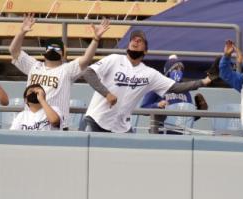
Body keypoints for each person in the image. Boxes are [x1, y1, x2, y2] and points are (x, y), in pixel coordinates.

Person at [81, 30, 212, 133]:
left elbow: (175, 87)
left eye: (140, 40)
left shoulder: (149, 73)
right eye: (133, 39)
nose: (135, 41)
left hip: (121, 127)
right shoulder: (114, 59)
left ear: (145, 50)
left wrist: (204, 81)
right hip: (96, 120)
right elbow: (88, 72)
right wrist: (106, 94)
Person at [9, 14, 109, 129]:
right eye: (50, 48)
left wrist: (96, 39)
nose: (53, 50)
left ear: (62, 54)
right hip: (31, 124)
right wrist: (21, 33)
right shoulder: (34, 65)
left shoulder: (67, 69)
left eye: (57, 49)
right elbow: (13, 51)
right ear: (44, 51)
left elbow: (86, 59)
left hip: (55, 125)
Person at [140, 54, 195, 134]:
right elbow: (143, 108)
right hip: (160, 131)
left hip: (182, 132)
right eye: (175, 68)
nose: (178, 71)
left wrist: (200, 109)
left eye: (181, 69)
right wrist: (157, 105)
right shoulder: (157, 86)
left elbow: (189, 117)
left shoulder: (184, 89)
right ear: (168, 71)